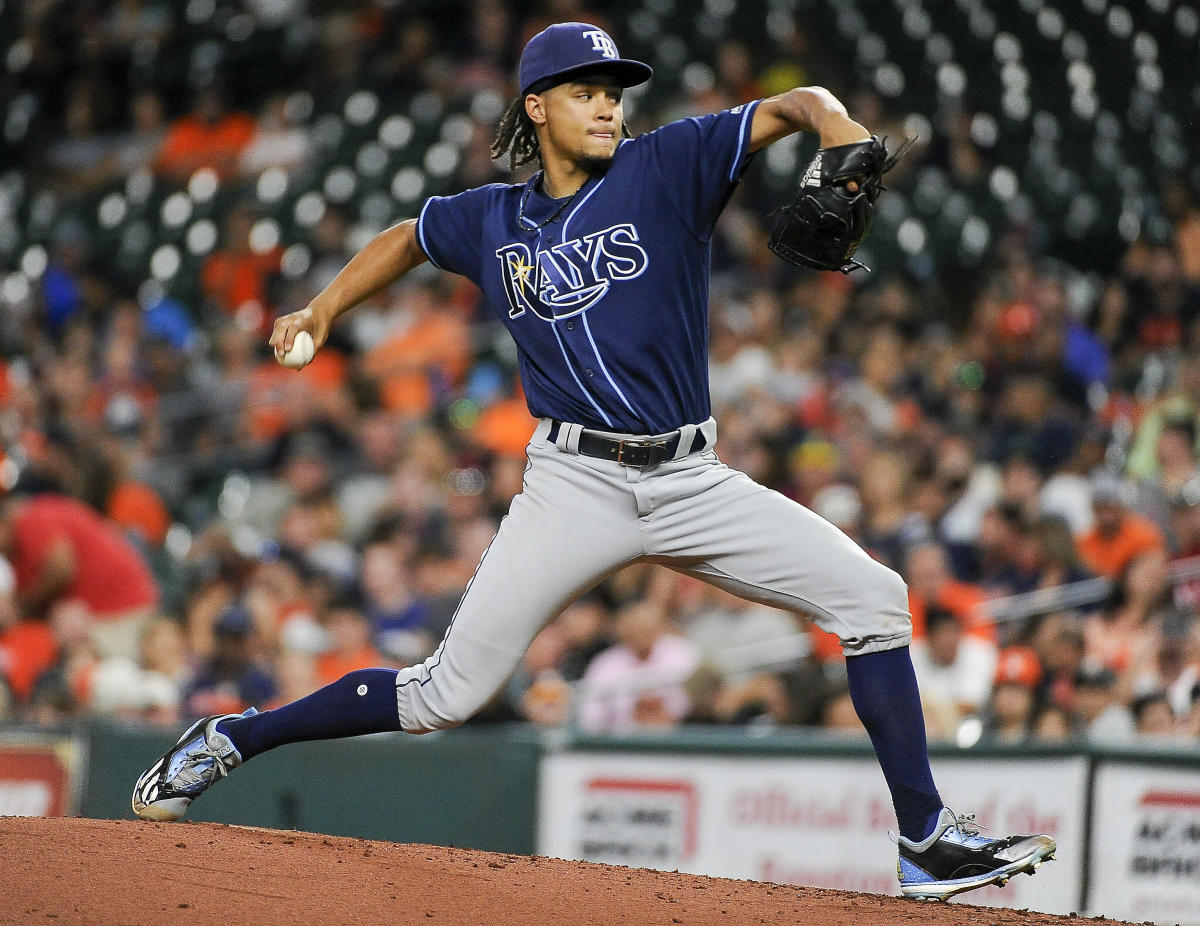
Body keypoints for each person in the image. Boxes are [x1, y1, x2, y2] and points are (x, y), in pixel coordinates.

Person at [131, 22, 1055, 900]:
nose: (610, 107)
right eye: (586, 92)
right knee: (443, 694)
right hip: (573, 485)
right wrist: (323, 310)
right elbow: (408, 237)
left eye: (615, 91)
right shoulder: (489, 217)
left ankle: (924, 840)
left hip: (691, 478)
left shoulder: (667, 166)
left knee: (876, 598)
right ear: (536, 107)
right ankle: (236, 739)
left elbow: (797, 103)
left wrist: (838, 128)